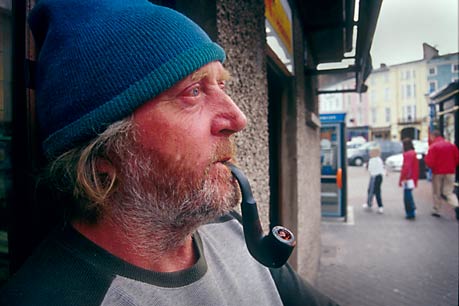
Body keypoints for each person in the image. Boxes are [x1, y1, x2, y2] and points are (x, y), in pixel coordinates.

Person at [0, 1, 339, 305]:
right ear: (102, 152)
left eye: (222, 85)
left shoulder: (231, 231)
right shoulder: (50, 297)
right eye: (193, 91)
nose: (238, 118)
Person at [425, 130, 459, 220]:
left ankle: (437, 210)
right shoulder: (451, 145)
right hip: (450, 172)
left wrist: (432, 167)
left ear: (433, 136)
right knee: (449, 192)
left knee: (437, 192)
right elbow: (457, 159)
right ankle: (456, 205)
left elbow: (429, 162)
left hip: (438, 172)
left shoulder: (433, 147)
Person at [398, 138, 419, 220]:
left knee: (407, 196)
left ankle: (410, 212)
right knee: (409, 193)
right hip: (412, 176)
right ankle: (412, 209)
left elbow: (406, 167)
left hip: (408, 178)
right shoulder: (413, 153)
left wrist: (404, 178)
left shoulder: (407, 154)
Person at [362, 146, 385, 214]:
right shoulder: (379, 160)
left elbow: (369, 169)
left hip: (375, 177)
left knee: (373, 191)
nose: (370, 153)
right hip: (378, 177)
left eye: (371, 152)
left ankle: (379, 206)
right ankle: (370, 203)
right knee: (373, 191)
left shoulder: (372, 160)